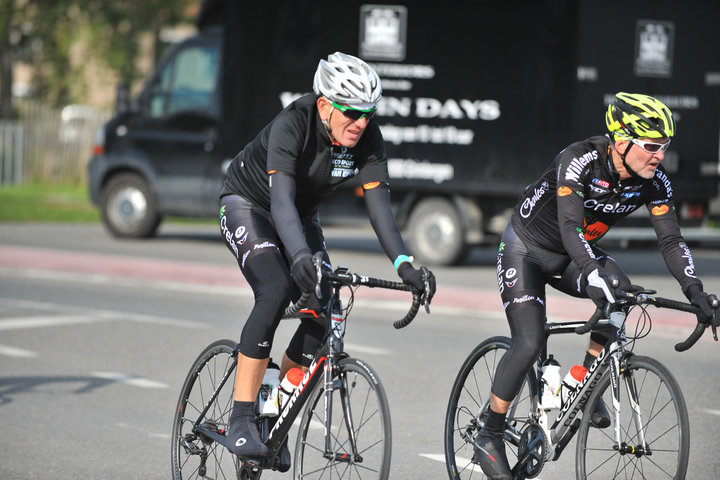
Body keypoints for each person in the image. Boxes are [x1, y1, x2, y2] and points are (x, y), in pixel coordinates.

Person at [473, 92, 718, 479]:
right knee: (530, 340)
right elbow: (570, 227)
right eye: (652, 146)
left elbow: (671, 241)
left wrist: (697, 293)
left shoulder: (655, 182)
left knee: (620, 291)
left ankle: (584, 382)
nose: (659, 156)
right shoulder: (579, 159)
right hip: (526, 251)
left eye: (664, 147)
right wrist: (590, 271)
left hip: (573, 253)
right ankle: (489, 432)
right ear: (621, 141)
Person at [217, 52, 436, 468]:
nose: (361, 123)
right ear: (324, 105)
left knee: (326, 308)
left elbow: (380, 212)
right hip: (249, 205)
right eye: (352, 113)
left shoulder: (367, 137)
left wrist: (405, 265)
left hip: (300, 215)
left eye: (369, 114)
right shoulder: (293, 123)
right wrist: (298, 256)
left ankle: (275, 416)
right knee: (277, 289)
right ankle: (242, 416)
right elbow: (279, 200)